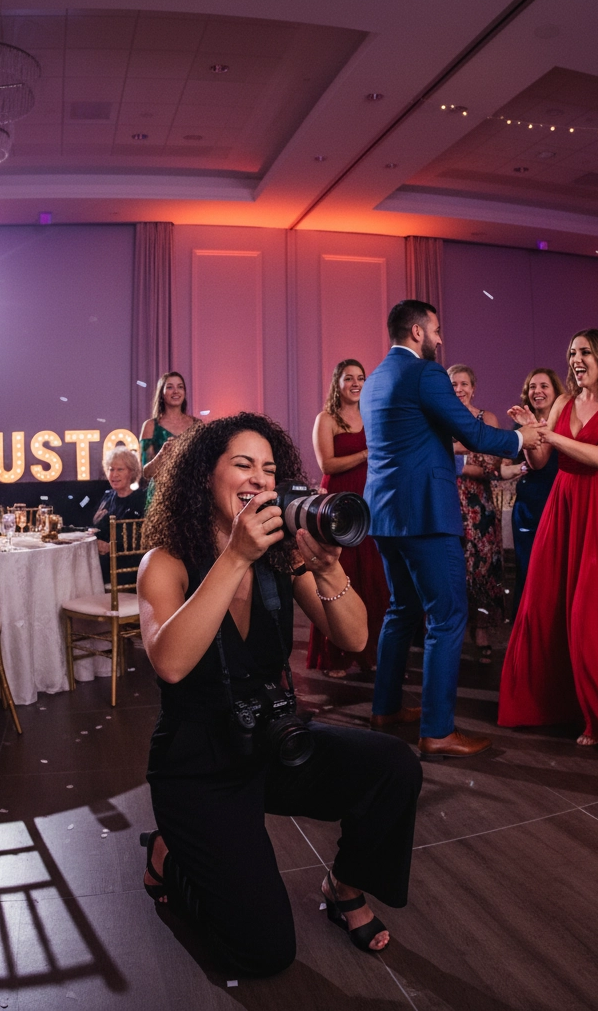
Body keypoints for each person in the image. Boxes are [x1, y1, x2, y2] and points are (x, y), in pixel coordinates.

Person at [136, 412, 422, 976]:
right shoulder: (164, 563)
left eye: (269, 470)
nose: (258, 479)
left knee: (393, 765)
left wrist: (329, 567)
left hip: (271, 744)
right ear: (203, 477)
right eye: (242, 465)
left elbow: (356, 636)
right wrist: (235, 555)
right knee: (264, 952)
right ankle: (167, 855)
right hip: (200, 766)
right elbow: (170, 664)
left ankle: (343, 888)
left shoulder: (279, 559)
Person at [360, 300, 532, 758]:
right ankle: (438, 730)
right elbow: (473, 433)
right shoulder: (425, 374)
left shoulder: (374, 379)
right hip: (425, 514)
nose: (440, 338)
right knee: (448, 615)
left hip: (383, 513)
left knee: (402, 611)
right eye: (436, 330)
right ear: (417, 332)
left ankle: (385, 708)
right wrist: (521, 439)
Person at [498, 330, 598, 747]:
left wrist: (550, 435)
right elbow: (541, 460)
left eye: (584, 352)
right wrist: (529, 435)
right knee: (544, 605)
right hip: (562, 506)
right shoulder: (562, 402)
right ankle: (547, 705)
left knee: (590, 614)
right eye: (572, 352)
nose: (575, 359)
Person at [307, 359, 390, 678]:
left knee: (374, 576)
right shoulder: (325, 419)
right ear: (336, 384)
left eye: (360, 378)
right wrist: (365, 455)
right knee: (342, 575)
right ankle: (335, 657)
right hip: (339, 503)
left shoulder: (372, 414)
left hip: (370, 501)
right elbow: (327, 465)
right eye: (348, 378)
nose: (356, 383)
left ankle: (371, 653)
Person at [447, 363, 504, 665]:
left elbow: (493, 463)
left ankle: (481, 629)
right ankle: (452, 631)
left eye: (464, 384)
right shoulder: (440, 419)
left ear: (474, 387)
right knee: (453, 568)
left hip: (480, 504)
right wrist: (471, 457)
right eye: (453, 384)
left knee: (482, 567)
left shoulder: (488, 418)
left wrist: (456, 457)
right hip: (448, 501)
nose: (459, 389)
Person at [500, 368, 564, 618]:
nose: (537, 391)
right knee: (528, 572)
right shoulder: (519, 428)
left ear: (556, 391)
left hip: (562, 504)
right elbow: (504, 471)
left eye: (544, 386)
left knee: (559, 572)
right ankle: (525, 634)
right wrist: (524, 465)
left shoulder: (568, 423)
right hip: (529, 508)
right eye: (532, 387)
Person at [139, 371, 200, 508]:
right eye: (170, 387)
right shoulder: (150, 426)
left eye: (180, 387)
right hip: (161, 498)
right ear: (162, 393)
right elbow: (146, 472)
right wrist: (162, 453)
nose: (176, 391)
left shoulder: (198, 425)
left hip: (192, 496)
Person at [90, 446, 145, 583]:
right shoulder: (108, 497)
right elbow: (97, 529)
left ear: (132, 473)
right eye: (111, 469)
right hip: (104, 562)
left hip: (128, 567)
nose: (114, 475)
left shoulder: (140, 500)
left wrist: (110, 547)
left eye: (120, 469)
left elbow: (141, 540)